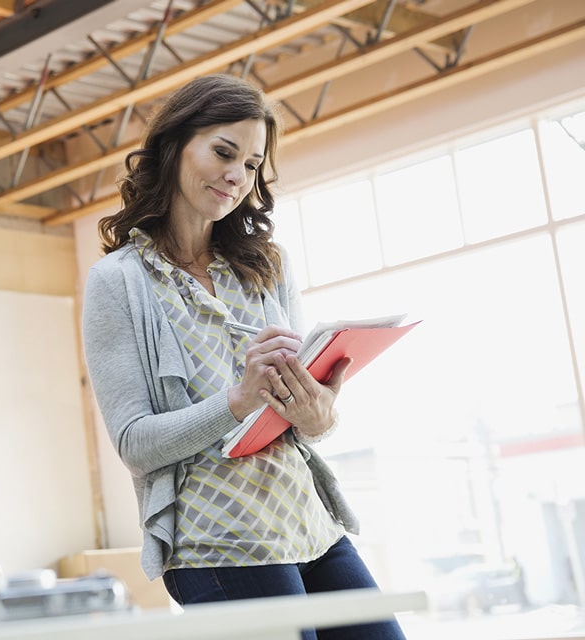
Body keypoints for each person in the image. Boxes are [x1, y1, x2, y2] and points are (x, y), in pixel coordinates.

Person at [82, 73, 406, 640]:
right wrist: (238, 398)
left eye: (253, 164)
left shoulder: (267, 264)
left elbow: (310, 424)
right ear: (174, 147)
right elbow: (135, 443)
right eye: (224, 152)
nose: (237, 176)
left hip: (308, 524)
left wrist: (318, 410)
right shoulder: (118, 281)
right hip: (218, 542)